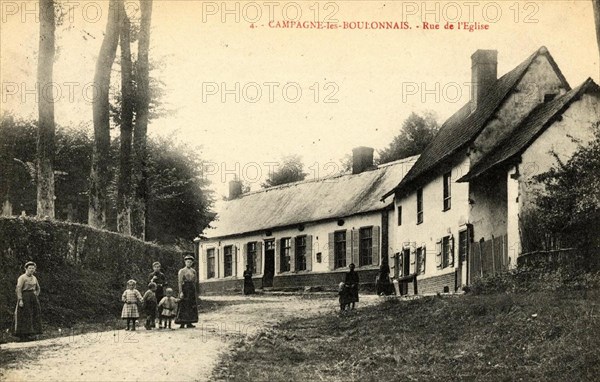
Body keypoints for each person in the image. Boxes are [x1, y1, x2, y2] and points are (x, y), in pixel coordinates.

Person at [14, 261, 42, 341]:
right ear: (26, 269)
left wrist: (35, 295)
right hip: (24, 297)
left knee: (35, 313)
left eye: (33, 268)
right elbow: (18, 289)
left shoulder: (34, 278)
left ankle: (33, 334)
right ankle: (23, 336)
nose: (31, 270)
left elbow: (38, 288)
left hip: (33, 297)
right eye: (30, 268)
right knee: (25, 315)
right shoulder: (22, 277)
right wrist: (20, 300)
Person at [175, 254, 199, 328]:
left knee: (191, 305)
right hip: (185, 288)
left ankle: (189, 322)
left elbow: (195, 281)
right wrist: (180, 292)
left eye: (190, 262)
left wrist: (195, 290)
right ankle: (182, 322)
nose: (189, 263)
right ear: (185, 262)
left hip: (191, 289)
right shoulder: (182, 271)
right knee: (183, 305)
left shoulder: (193, 271)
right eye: (187, 262)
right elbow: (179, 282)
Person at [149, 261, 167, 328]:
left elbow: (166, 282)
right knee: (152, 307)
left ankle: (160, 322)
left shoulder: (162, 275)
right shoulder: (151, 275)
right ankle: (152, 322)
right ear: (153, 268)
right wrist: (152, 280)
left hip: (160, 293)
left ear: (160, 267)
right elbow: (148, 284)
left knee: (160, 307)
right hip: (153, 293)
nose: (157, 268)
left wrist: (162, 284)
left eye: (158, 267)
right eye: (155, 267)